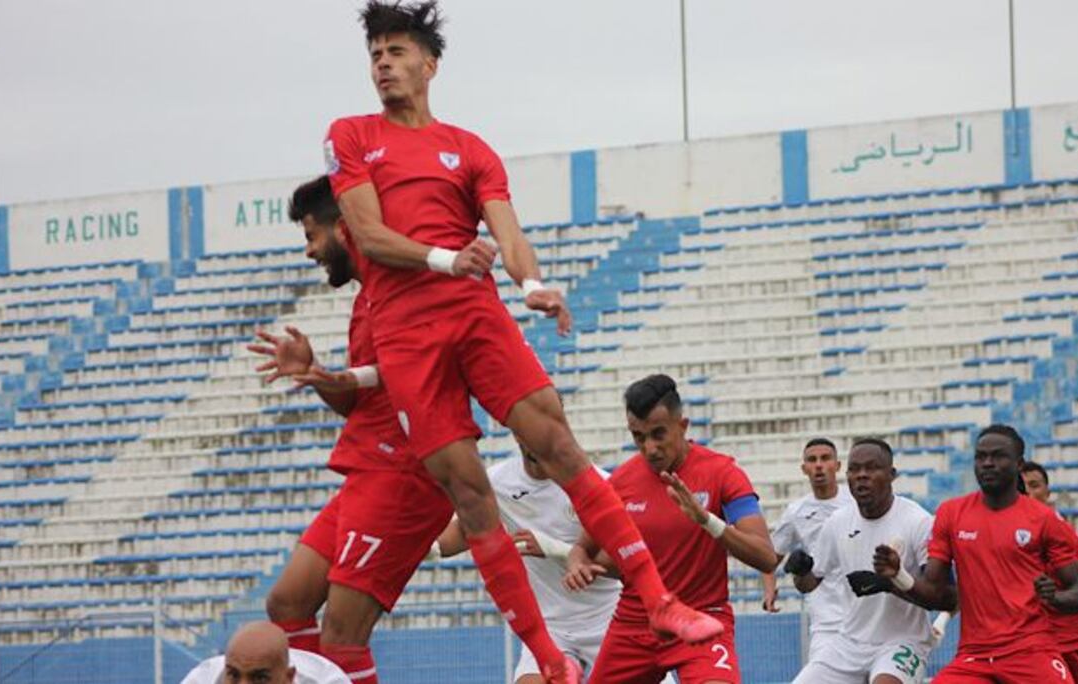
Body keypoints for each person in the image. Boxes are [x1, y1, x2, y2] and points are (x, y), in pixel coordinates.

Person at [323, 3, 720, 680]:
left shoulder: (470, 147)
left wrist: (532, 281)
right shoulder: (351, 134)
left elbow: (507, 229)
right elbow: (370, 234)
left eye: (396, 52)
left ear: (430, 64)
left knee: (560, 443)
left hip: (476, 315)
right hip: (407, 335)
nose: (383, 64)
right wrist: (449, 259)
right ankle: (547, 660)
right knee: (473, 495)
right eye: (375, 54)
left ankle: (658, 599)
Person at [251, 176, 454, 683]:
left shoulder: (402, 288)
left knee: (343, 635)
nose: (309, 250)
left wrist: (342, 376)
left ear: (344, 229)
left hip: (404, 475)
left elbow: (416, 377)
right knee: (287, 603)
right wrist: (316, 374)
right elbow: (366, 403)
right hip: (370, 468)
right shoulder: (367, 298)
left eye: (312, 235)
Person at [564, 374, 777, 683]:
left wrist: (706, 520)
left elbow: (766, 557)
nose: (649, 448)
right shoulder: (621, 483)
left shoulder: (723, 473)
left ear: (683, 425)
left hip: (704, 617)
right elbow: (582, 548)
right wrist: (576, 564)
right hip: (635, 624)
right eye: (639, 437)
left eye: (658, 434)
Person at [875, 424, 1078, 683]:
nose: (988, 463)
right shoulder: (951, 514)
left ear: (1019, 464)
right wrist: (898, 575)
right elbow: (934, 593)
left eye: (998, 456)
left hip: (1031, 651)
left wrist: (1054, 597)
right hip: (974, 657)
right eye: (981, 457)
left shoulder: (1045, 520)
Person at [431, 441, 623, 683]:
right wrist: (429, 548)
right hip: (550, 629)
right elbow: (465, 527)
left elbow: (624, 561)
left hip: (608, 621)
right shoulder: (497, 483)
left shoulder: (596, 483)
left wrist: (554, 549)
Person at [788, 438, 939, 684]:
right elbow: (809, 583)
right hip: (850, 642)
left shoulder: (918, 521)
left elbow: (939, 595)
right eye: (855, 469)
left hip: (903, 641)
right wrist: (800, 570)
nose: (862, 475)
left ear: (891, 474)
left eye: (871, 468)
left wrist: (893, 581)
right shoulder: (838, 522)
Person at [761, 438, 854, 659]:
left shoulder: (857, 501)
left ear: (837, 465)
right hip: (826, 620)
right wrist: (769, 588)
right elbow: (769, 558)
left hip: (864, 614)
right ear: (804, 469)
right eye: (812, 460)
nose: (819, 465)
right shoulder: (796, 512)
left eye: (825, 458)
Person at [1021, 461, 1078, 683]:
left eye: (1035, 486)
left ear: (1047, 492)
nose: (1029, 493)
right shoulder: (1008, 538)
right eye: (1023, 488)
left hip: (1075, 643)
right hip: (1035, 646)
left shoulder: (1066, 535)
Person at [180, 621, 350, 684]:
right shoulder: (202, 679)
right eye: (233, 675)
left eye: (260, 678)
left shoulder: (327, 681)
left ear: (288, 677)